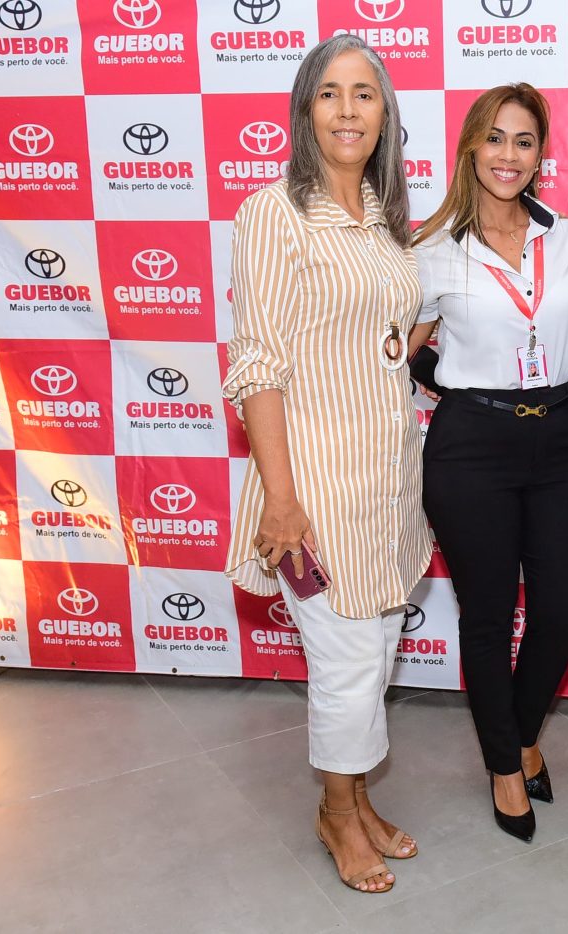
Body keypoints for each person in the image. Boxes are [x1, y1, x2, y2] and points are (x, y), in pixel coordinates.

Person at [222, 35, 429, 895]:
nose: (348, 110)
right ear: (306, 111)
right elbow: (259, 364)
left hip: (389, 479)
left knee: (376, 651)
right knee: (347, 662)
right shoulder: (273, 213)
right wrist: (281, 500)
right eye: (330, 94)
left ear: (385, 115)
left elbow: (383, 337)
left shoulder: (382, 220)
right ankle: (339, 815)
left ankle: (355, 796)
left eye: (365, 95)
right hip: (313, 484)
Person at [409, 84, 568, 843]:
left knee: (559, 609)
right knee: (487, 616)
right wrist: (454, 386)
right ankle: (506, 765)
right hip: (472, 445)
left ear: (540, 154)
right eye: (494, 139)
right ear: (469, 148)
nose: (508, 155)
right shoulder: (432, 248)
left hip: (558, 435)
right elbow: (404, 351)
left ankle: (516, 733)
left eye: (524, 141)